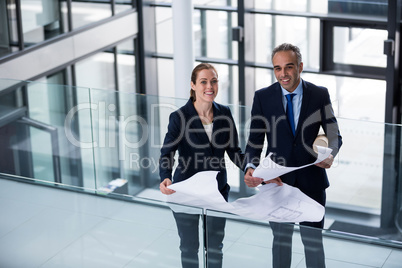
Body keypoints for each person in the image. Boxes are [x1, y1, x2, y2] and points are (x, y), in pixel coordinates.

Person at [244, 43, 343, 268]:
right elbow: (254, 141)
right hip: (276, 183)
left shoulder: (319, 94)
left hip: (312, 182)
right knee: (280, 242)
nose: (283, 74)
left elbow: (334, 134)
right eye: (277, 68)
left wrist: (331, 154)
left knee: (313, 243)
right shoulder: (263, 97)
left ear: (299, 66)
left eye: (288, 67)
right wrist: (251, 167)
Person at [159, 63, 245, 268]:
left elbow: (234, 151)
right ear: (193, 85)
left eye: (214, 81)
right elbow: (167, 152)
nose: (210, 86)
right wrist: (165, 176)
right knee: (189, 247)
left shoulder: (224, 113)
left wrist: (251, 169)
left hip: (216, 191)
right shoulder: (179, 117)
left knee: (215, 247)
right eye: (204, 81)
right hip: (186, 190)